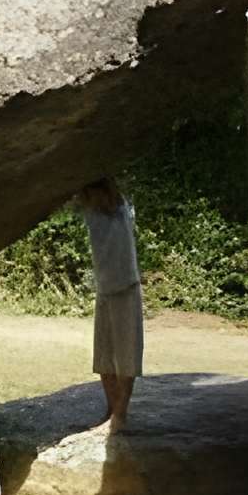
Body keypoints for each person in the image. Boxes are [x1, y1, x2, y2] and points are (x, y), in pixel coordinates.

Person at [76, 177, 142, 431]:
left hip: (127, 287)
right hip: (105, 290)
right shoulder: (91, 209)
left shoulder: (121, 207)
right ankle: (111, 409)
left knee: (127, 356)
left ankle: (120, 415)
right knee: (103, 356)